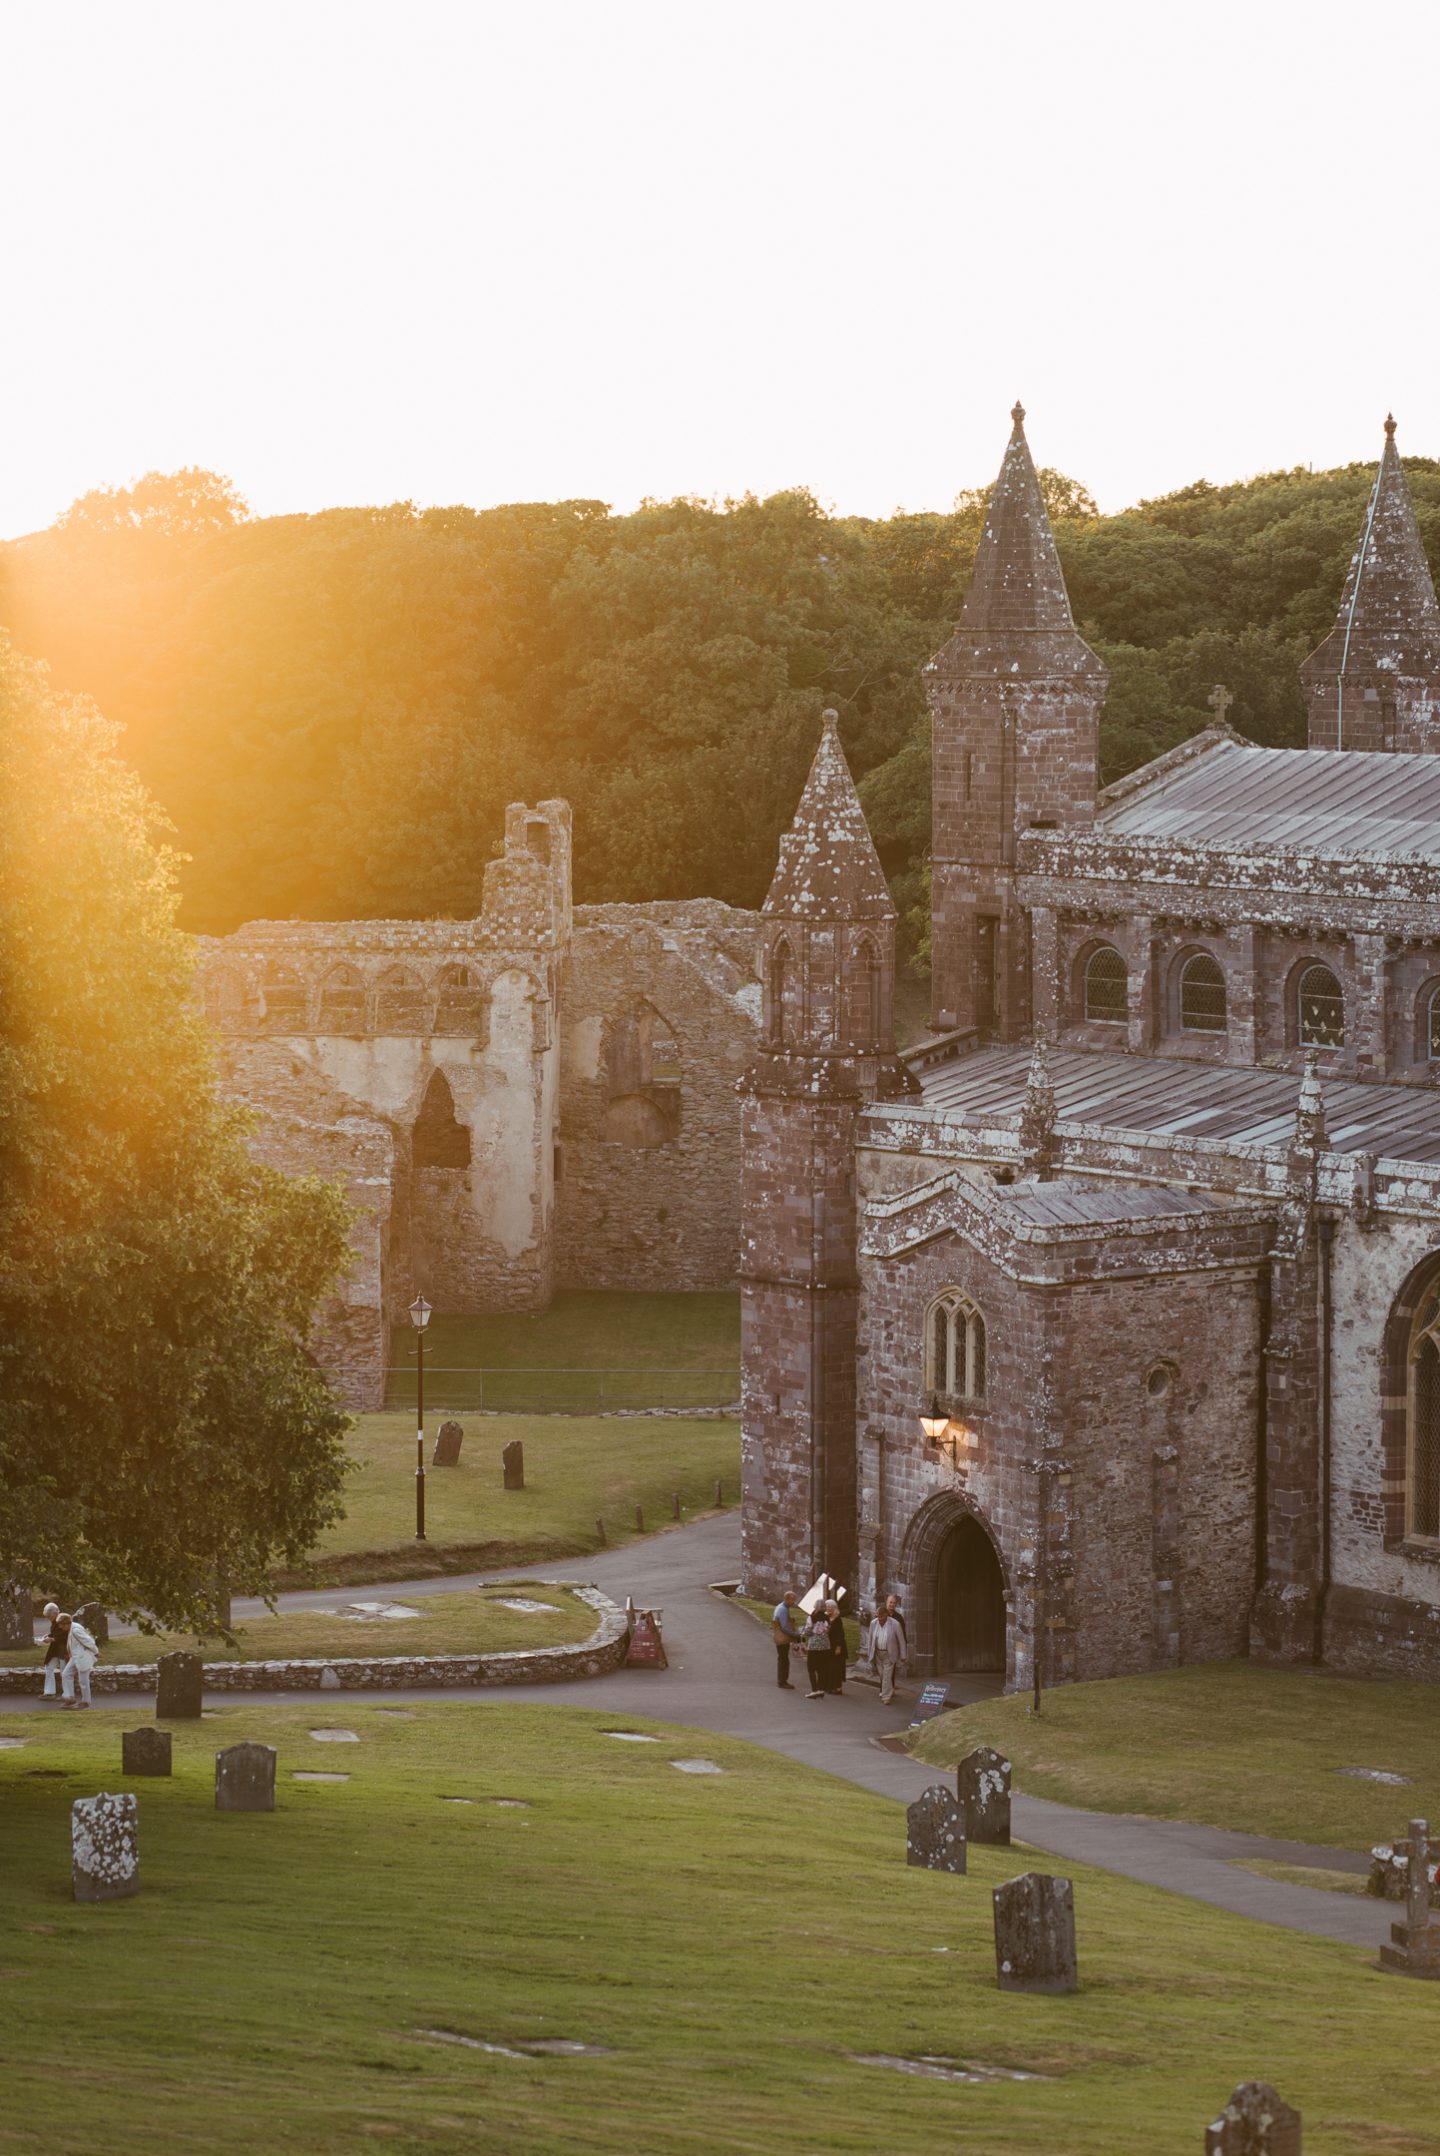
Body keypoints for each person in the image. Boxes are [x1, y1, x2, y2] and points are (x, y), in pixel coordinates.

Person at [60, 1612, 99, 1709]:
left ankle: (86, 1702)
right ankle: (70, 1698)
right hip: (76, 1657)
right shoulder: (73, 1627)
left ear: (66, 1624)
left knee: (83, 1680)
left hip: (82, 1657)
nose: (61, 1628)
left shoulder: (75, 1630)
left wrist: (96, 1652)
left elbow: (89, 1641)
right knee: (66, 1674)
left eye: (61, 1625)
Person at [770, 1591, 803, 1690]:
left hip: (779, 1636)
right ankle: (782, 1681)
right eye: (793, 1600)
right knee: (784, 1659)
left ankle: (782, 1680)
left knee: (782, 1658)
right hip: (782, 1637)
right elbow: (785, 1627)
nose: (794, 1603)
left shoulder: (780, 1607)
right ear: (788, 1599)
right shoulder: (783, 1610)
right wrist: (796, 1635)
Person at [872, 1604, 904, 1704]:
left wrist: (903, 1655)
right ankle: (890, 1690)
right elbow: (870, 1639)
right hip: (877, 1653)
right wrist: (870, 1653)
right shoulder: (873, 1623)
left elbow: (901, 1640)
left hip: (889, 1654)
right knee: (882, 1674)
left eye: (882, 1617)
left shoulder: (895, 1624)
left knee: (886, 1675)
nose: (880, 1619)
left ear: (887, 1616)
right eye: (878, 1617)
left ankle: (886, 1697)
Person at [802, 1608, 833, 1699]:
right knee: (821, 1668)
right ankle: (821, 1688)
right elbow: (829, 1630)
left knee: (811, 1668)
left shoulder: (811, 1617)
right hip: (825, 1646)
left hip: (814, 1646)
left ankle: (814, 1690)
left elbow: (808, 1631)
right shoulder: (827, 1618)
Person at [40, 1603, 69, 1701]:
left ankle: (67, 1695)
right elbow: (56, 1633)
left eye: (49, 1616)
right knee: (49, 1667)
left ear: (55, 1613)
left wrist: (51, 1639)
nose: (48, 1618)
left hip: (64, 1650)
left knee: (64, 1672)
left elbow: (65, 1635)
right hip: (55, 1650)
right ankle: (49, 1693)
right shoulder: (54, 1621)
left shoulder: (64, 1619)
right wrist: (49, 1635)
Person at [823, 1597, 848, 1695]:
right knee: (829, 1667)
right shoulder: (826, 1618)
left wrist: (838, 1647)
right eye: (827, 1607)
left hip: (837, 1647)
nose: (828, 1609)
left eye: (830, 1607)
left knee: (836, 1668)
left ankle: (838, 1688)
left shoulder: (837, 1619)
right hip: (828, 1646)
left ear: (834, 1608)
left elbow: (841, 1635)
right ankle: (829, 1687)